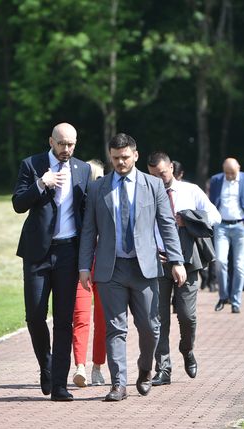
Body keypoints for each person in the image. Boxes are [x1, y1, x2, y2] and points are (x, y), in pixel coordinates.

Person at [78, 133, 186, 402]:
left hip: (144, 268)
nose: (120, 162)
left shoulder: (153, 185)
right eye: (116, 158)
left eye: (125, 157)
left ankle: (146, 368)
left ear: (135, 155)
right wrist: (84, 267)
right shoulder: (98, 188)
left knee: (150, 327)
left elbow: (167, 225)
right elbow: (89, 230)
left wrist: (177, 261)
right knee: (115, 328)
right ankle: (118, 384)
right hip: (110, 269)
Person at [12, 122, 91, 402]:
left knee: (64, 320)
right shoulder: (31, 165)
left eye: (71, 144)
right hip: (37, 252)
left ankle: (59, 384)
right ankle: (46, 364)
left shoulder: (83, 169)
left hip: (69, 251)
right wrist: (40, 184)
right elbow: (18, 203)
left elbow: (86, 211)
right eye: (61, 144)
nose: (66, 149)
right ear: (51, 141)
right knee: (34, 315)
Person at [146, 151, 221, 386]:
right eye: (153, 175)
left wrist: (189, 220)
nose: (159, 179)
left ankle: (187, 349)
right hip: (158, 262)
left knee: (187, 316)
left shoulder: (191, 191)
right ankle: (163, 368)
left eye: (162, 173)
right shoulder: (146, 193)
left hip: (187, 261)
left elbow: (215, 216)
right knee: (158, 318)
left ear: (171, 168)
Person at [71, 159, 107, 387]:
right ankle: (80, 366)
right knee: (81, 318)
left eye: (99, 178)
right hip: (81, 268)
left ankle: (97, 367)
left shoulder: (109, 200)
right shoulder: (74, 204)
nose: (95, 182)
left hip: (104, 267)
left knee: (103, 322)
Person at [208, 158, 244, 313]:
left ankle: (236, 301)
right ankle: (224, 296)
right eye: (227, 173)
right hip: (221, 226)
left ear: (239, 168)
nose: (229, 176)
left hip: (241, 226)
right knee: (220, 261)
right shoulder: (216, 180)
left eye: (232, 173)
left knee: (239, 265)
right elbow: (211, 203)